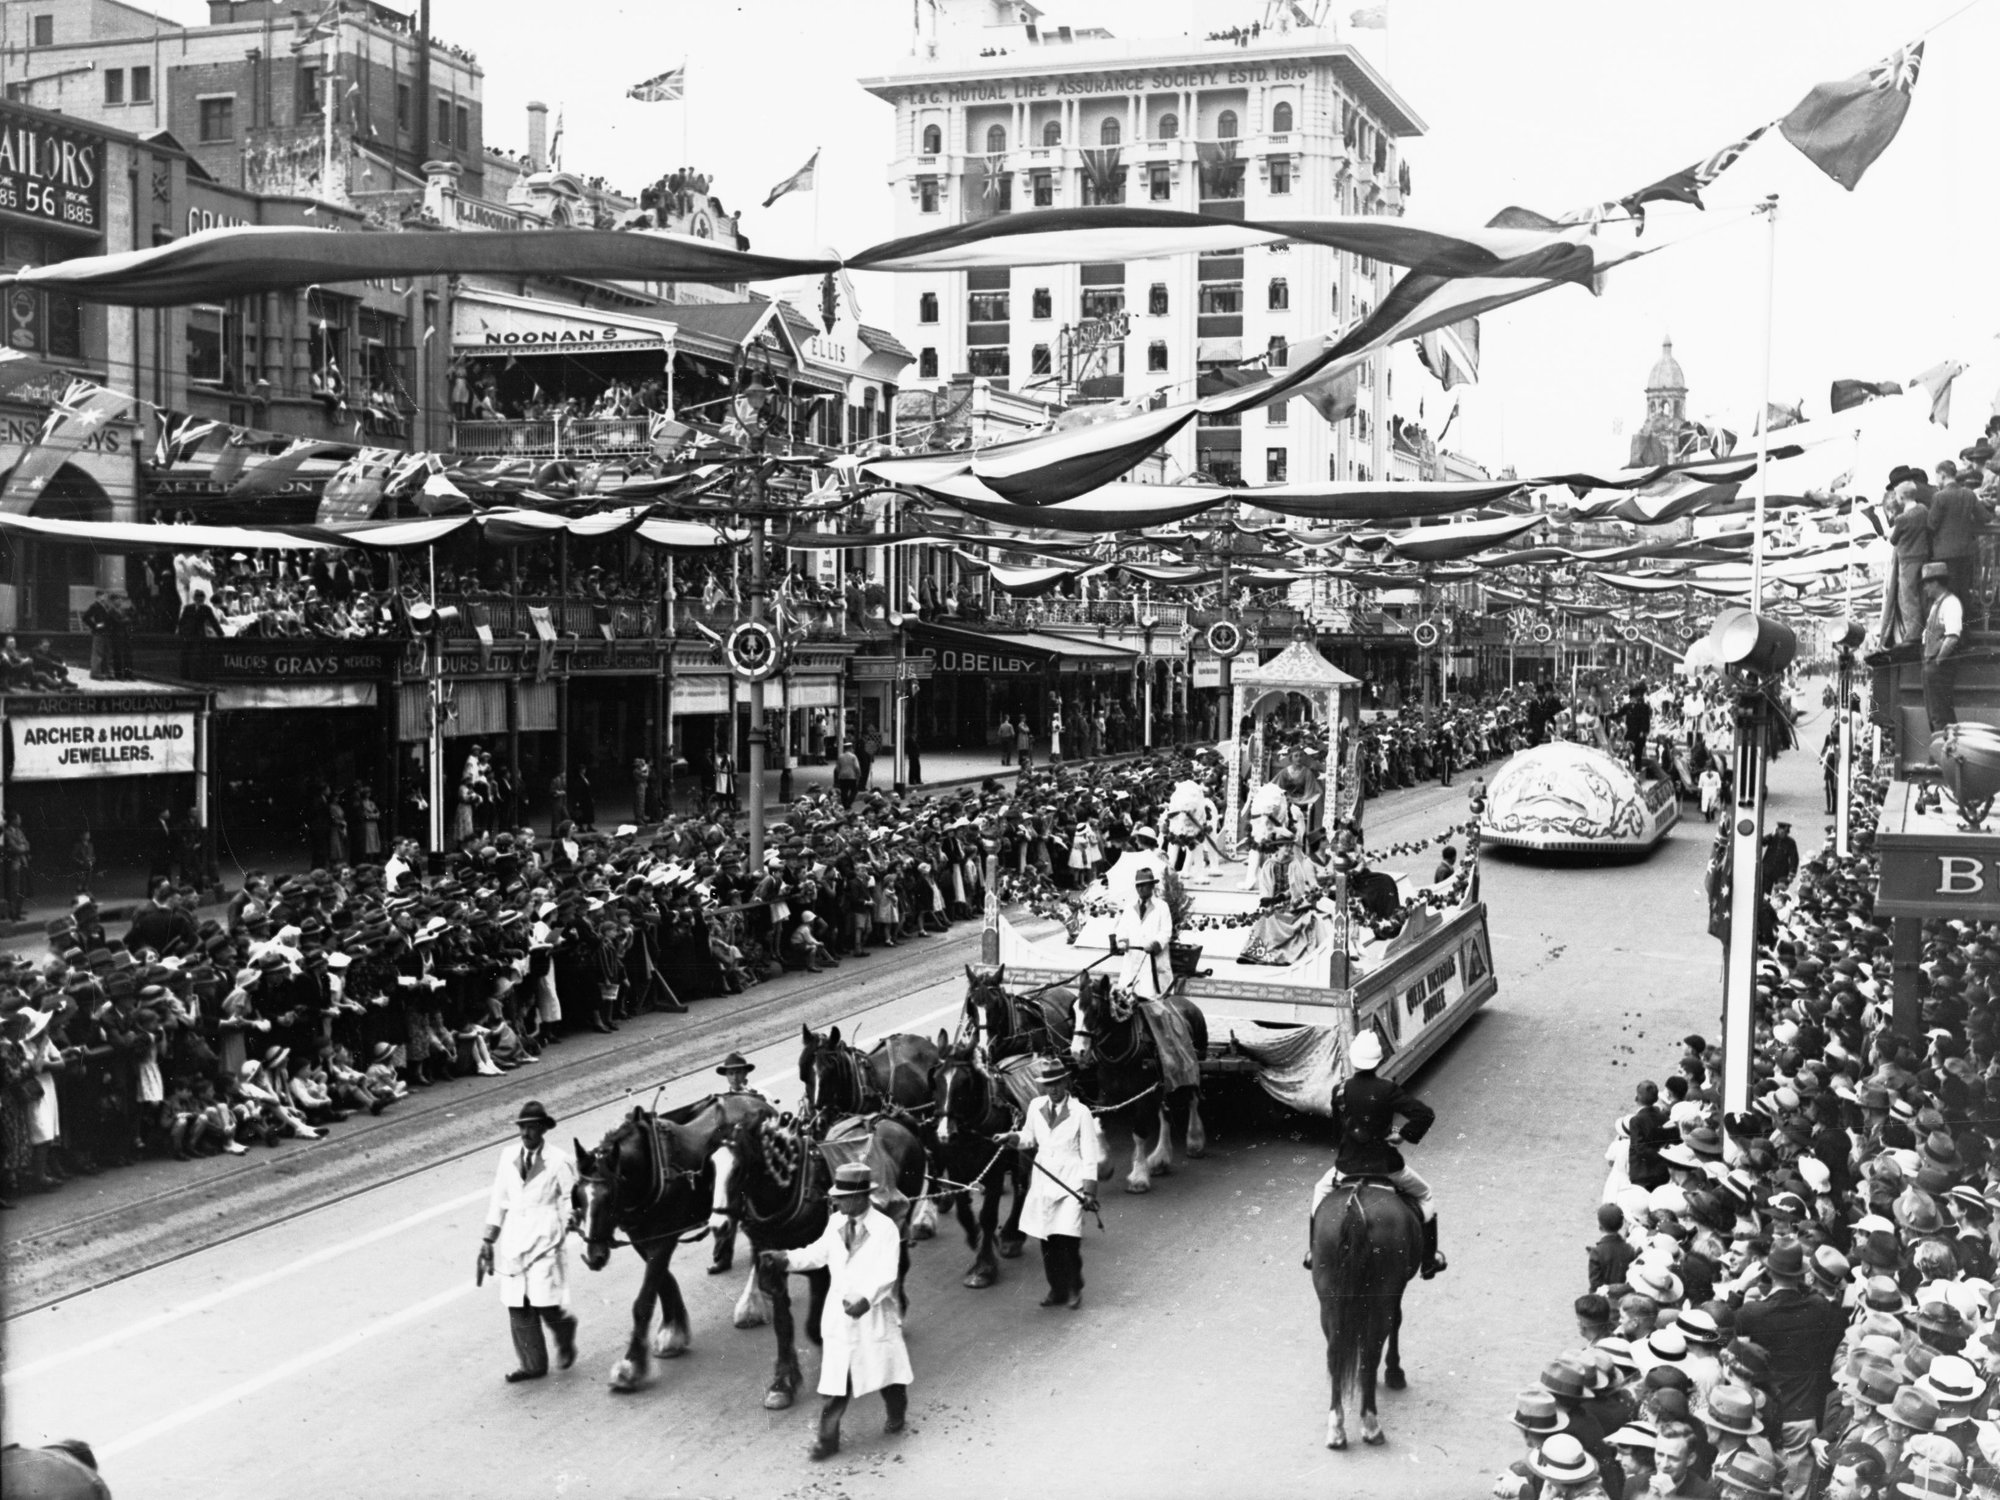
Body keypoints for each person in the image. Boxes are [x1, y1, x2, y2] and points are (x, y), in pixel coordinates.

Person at [759, 1163, 912, 1462]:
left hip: (872, 1316)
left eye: (842, 1197)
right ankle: (827, 1440)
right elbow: (817, 1254)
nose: (837, 1202)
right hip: (840, 1318)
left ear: (859, 1197)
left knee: (887, 1374)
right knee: (837, 1383)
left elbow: (887, 1273)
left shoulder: (885, 1229)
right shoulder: (835, 1222)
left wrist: (866, 1298)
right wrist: (785, 1258)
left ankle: (897, 1414)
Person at [1308, 1029, 1446, 1278]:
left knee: (1319, 1191)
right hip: (1386, 1168)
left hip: (1347, 1168)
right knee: (1426, 1194)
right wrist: (1402, 1135)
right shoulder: (1388, 1089)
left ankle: (1313, 1253)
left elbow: (1337, 1134)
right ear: (1378, 1061)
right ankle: (1428, 1260)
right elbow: (1425, 1114)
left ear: (1353, 1059)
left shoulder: (1339, 1091)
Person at [476, 1100, 579, 1384]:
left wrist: (572, 1217)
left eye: (532, 1128)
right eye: (522, 1128)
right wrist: (488, 1239)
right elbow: (499, 1199)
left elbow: (571, 1197)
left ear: (544, 1129)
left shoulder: (559, 1160)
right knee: (517, 1301)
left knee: (543, 1299)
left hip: (545, 1240)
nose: (525, 1133)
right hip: (514, 1238)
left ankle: (563, 1329)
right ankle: (532, 1365)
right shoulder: (507, 1156)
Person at [1002, 1054, 1103, 1309]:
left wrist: (1089, 1191)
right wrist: (1012, 1138)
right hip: (1044, 1182)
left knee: (1067, 1238)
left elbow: (1089, 1153)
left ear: (1066, 1082)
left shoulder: (1081, 1112)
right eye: (1048, 1085)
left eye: (1057, 1083)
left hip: (1072, 1183)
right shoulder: (1036, 1106)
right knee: (1047, 1239)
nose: (1053, 1089)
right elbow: (1029, 1137)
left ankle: (1074, 1287)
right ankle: (1057, 1289)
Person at [1110, 865, 1173, 1000]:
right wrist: (1122, 941)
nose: (1140, 888)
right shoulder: (1129, 907)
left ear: (1152, 886)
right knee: (1128, 997)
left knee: (1150, 998)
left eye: (1144, 885)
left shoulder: (1162, 907)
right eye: (1138, 885)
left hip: (1152, 960)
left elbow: (1166, 932)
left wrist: (1154, 944)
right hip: (1132, 960)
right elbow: (1121, 929)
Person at [1919, 560, 1963, 732]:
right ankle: (1940, 746)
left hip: (1940, 667)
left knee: (1940, 714)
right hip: (1931, 664)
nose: (1925, 588)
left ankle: (1944, 747)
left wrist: (1938, 661)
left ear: (1936, 582)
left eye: (1927, 583)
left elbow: (1952, 637)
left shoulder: (1951, 603)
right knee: (1934, 713)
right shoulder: (1937, 604)